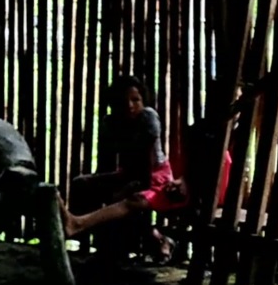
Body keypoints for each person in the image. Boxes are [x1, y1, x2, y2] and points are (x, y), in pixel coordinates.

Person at [61, 76, 186, 261]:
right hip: (126, 173)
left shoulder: (148, 119)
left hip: (154, 176)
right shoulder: (110, 123)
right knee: (81, 184)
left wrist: (123, 189)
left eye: (135, 100)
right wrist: (101, 183)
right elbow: (105, 161)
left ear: (143, 101)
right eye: (122, 101)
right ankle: (96, 242)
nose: (130, 105)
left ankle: (149, 239)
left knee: (125, 197)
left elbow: (146, 166)